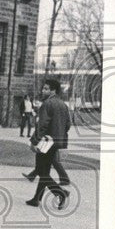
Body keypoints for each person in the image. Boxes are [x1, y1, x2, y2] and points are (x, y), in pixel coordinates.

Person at [26, 79, 71, 209]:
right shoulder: (63, 104)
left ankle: (60, 193)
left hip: (46, 142)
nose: (43, 91)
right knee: (44, 170)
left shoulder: (47, 104)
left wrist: (34, 141)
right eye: (43, 88)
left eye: (46, 89)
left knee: (41, 170)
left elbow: (42, 125)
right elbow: (67, 125)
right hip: (57, 142)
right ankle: (36, 199)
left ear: (53, 90)